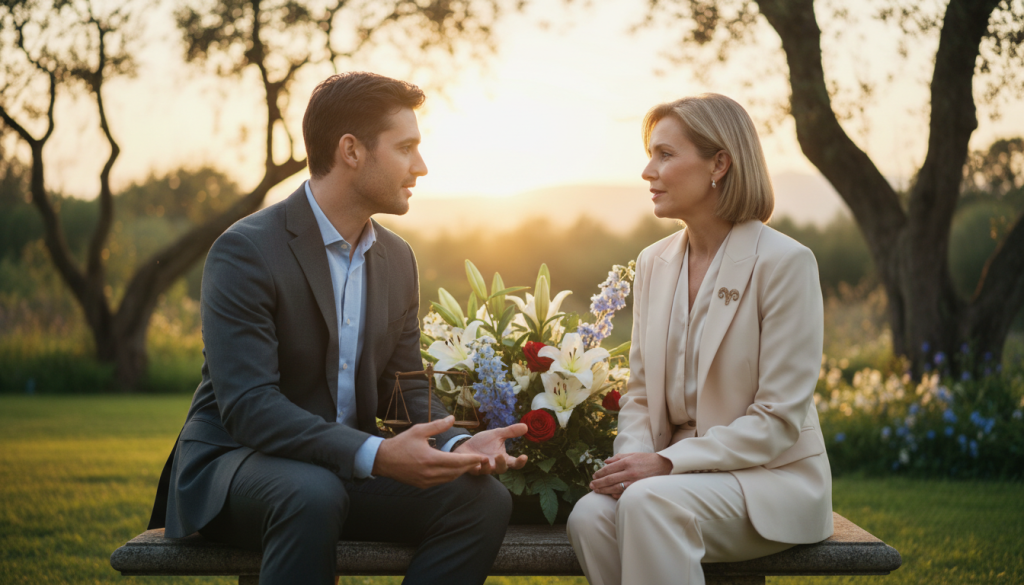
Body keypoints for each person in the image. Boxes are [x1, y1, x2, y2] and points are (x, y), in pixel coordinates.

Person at [146, 72, 528, 585]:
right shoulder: (246, 251)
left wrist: (458, 445)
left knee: (479, 501)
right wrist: (374, 454)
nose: (421, 166)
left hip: (343, 470)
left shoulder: (396, 258)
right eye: (406, 147)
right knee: (310, 493)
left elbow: (406, 388)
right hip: (237, 465)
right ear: (351, 150)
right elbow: (249, 407)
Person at [566, 93, 833, 585]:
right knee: (589, 515)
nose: (648, 171)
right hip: (673, 480)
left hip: (771, 480)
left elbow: (777, 420)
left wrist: (665, 463)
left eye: (665, 154)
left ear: (720, 163)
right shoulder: (653, 262)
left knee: (649, 504)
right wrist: (630, 464)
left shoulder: (785, 263)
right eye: (650, 155)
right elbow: (642, 396)